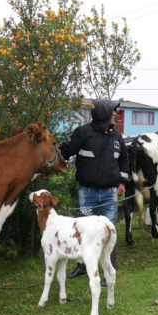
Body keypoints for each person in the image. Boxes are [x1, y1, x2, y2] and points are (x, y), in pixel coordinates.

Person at [59, 99, 129, 282]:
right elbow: (64, 153)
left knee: (109, 231)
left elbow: (124, 161)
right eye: (113, 111)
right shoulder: (83, 133)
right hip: (87, 193)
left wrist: (122, 183)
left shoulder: (117, 137)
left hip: (110, 193)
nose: (116, 114)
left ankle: (108, 273)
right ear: (104, 113)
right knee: (83, 231)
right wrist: (47, 167)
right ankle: (82, 267)